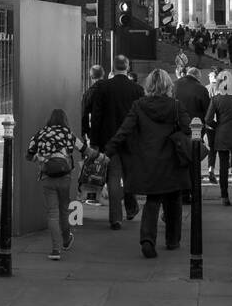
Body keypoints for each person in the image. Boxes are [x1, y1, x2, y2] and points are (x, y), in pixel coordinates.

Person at [97, 68, 192, 258]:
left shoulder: (139, 105)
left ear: (148, 85)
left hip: (149, 160)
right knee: (174, 200)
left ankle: (147, 240)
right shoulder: (175, 106)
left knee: (153, 201)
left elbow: (124, 131)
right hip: (172, 160)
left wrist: (107, 152)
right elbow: (188, 129)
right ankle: (172, 240)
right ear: (168, 85)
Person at [90, 54, 145, 229]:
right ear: (127, 67)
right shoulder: (137, 89)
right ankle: (131, 207)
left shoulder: (103, 87)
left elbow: (96, 117)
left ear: (113, 67)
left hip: (108, 140)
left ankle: (115, 218)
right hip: (130, 139)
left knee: (112, 178)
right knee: (129, 176)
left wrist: (94, 142)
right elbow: (141, 118)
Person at [25, 108, 79, 261]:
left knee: (52, 214)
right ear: (64, 120)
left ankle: (56, 250)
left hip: (47, 178)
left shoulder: (40, 134)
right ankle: (66, 240)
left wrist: (38, 158)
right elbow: (84, 149)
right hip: (65, 178)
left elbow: (28, 155)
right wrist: (101, 157)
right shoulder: (68, 134)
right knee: (64, 211)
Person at [204, 68, 232, 206]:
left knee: (223, 166)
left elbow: (207, 119)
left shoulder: (216, 99)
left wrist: (217, 125)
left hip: (222, 133)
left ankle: (224, 196)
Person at [79, 65, 106, 206]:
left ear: (91, 77)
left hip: (95, 134)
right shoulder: (109, 90)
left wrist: (84, 132)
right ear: (103, 74)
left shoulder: (89, 92)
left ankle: (93, 195)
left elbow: (83, 115)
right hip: (110, 133)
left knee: (94, 165)